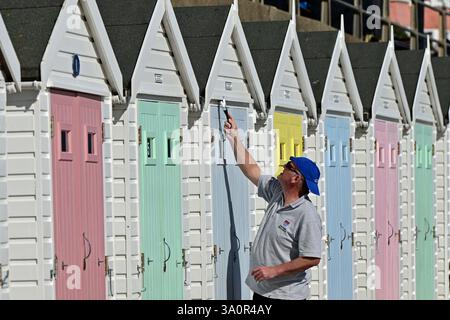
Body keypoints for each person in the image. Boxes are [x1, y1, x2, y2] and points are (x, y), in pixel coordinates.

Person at [224, 112, 322, 301]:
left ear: (296, 178)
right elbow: (252, 170)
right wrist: (234, 137)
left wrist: (274, 271)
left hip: (286, 296)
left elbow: (312, 258)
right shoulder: (277, 193)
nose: (283, 166)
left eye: (288, 166)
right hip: (263, 291)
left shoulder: (306, 214)